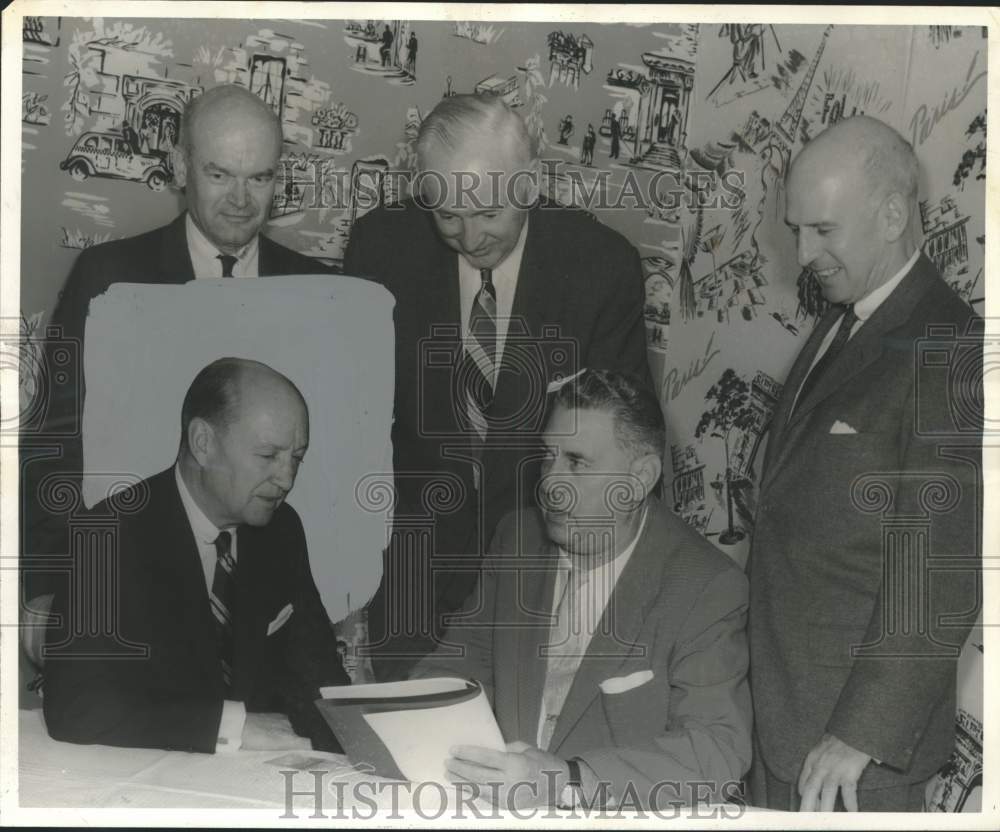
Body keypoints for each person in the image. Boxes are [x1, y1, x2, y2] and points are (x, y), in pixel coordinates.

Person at [344, 94, 650, 680]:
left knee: (515, 755)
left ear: (529, 183)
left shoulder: (600, 266)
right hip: (409, 568)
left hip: (546, 567)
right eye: (447, 216)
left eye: (488, 213)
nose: (470, 236)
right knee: (410, 746)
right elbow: (350, 425)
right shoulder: (380, 248)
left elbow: (625, 441)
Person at [749, 116, 982, 811]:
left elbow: (944, 568)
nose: (803, 252)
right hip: (783, 723)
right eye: (796, 230)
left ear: (889, 215)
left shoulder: (951, 350)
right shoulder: (847, 316)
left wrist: (860, 734)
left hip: (852, 760)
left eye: (822, 230)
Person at [21, 84, 329, 601]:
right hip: (132, 579)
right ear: (182, 168)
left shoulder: (319, 292)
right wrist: (47, 586)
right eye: (219, 174)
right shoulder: (109, 277)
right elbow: (57, 441)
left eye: (259, 178)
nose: (240, 200)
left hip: (269, 594)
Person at [409, 370, 751, 810]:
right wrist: (408, 711)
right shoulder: (517, 539)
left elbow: (717, 747)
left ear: (640, 478)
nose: (550, 482)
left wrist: (567, 780)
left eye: (577, 462)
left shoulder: (705, 585)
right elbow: (460, 661)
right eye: (547, 457)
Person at [41, 358, 350, 752]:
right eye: (269, 455)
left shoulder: (282, 529)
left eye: (297, 458)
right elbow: (75, 708)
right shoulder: (105, 537)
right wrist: (232, 728)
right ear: (203, 443)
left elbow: (319, 673)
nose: (287, 479)